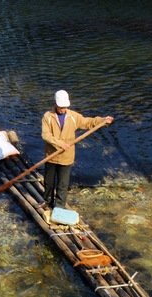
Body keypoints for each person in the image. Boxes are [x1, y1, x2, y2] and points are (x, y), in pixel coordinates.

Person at [40, 90, 113, 221]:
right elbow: (46, 135)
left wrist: (103, 120)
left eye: (65, 107)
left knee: (63, 184)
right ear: (56, 104)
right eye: (61, 107)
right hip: (51, 155)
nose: (63, 109)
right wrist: (59, 143)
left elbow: (87, 122)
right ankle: (47, 201)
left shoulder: (73, 116)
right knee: (49, 181)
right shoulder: (48, 117)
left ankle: (59, 206)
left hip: (67, 157)